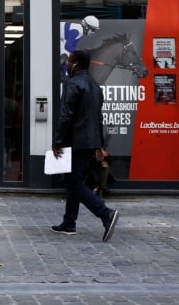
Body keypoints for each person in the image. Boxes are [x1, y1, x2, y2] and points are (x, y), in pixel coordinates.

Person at [51, 49, 119, 242]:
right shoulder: (95, 86)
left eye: (70, 61)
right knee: (76, 180)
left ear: (76, 64)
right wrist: (100, 145)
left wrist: (57, 142)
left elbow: (65, 116)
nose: (68, 64)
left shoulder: (73, 84)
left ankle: (105, 213)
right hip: (90, 143)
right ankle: (69, 222)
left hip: (75, 142)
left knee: (73, 182)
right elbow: (98, 118)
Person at [59, 15, 100, 81]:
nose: (93, 32)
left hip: (60, 38)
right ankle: (61, 75)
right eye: (93, 30)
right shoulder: (77, 31)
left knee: (68, 55)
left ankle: (63, 76)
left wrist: (78, 54)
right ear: (86, 27)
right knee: (65, 55)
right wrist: (80, 53)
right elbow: (68, 46)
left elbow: (72, 48)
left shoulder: (80, 31)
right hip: (51, 34)